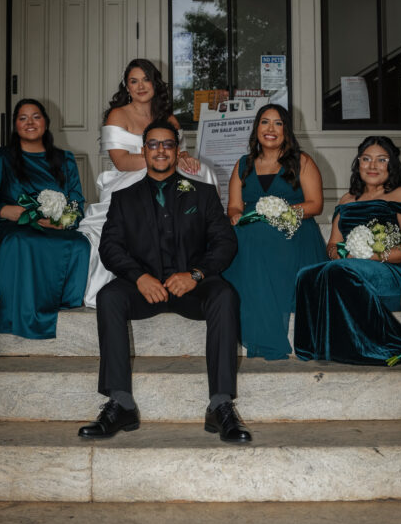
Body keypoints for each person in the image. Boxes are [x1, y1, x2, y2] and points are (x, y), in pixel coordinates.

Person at [78, 119, 250, 443]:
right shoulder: (124, 198)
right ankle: (120, 402)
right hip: (143, 287)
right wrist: (139, 277)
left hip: (192, 286)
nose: (160, 151)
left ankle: (220, 404)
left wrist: (195, 275)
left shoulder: (203, 193)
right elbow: (110, 247)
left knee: (225, 295)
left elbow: (225, 243)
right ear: (144, 151)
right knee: (109, 297)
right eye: (153, 144)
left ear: (177, 151)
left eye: (167, 144)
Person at [78, 59, 216, 307]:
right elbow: (121, 161)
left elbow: (178, 152)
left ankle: (200, 244)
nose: (141, 86)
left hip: (166, 170)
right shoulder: (118, 115)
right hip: (129, 175)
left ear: (155, 83)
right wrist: (160, 159)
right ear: (127, 87)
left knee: (202, 171)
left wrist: (184, 158)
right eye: (134, 81)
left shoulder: (168, 118)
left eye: (146, 79)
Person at [294, 136, 401, 365]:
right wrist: (342, 254)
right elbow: (333, 245)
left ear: (391, 165)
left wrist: (371, 254)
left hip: (392, 270)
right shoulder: (347, 199)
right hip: (351, 266)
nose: (372, 166)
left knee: (340, 272)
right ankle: (314, 346)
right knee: (306, 274)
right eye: (366, 159)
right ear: (358, 163)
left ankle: (390, 345)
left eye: (381, 160)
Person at [0, 98, 90, 339]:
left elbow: (76, 203)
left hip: (52, 226)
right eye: (23, 118)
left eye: (36, 116)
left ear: (46, 122)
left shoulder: (65, 159)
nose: (30, 122)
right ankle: (17, 313)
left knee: (80, 244)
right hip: (11, 226)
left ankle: (62, 306)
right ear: (15, 125)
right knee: (21, 241)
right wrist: (6, 211)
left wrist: (63, 221)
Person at [223, 103, 327, 359]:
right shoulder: (243, 164)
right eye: (265, 122)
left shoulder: (302, 161)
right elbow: (234, 206)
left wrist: (280, 213)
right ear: (256, 128)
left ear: (287, 130)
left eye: (278, 123)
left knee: (258, 235)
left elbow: (315, 204)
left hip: (294, 232)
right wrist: (236, 216)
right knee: (237, 236)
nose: (271, 129)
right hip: (254, 232)